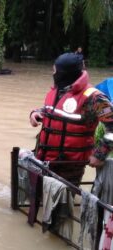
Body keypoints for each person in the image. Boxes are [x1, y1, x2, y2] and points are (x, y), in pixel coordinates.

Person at [30, 52, 113, 184]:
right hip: (43, 157)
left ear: (65, 74)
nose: (53, 74)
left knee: (62, 201)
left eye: (55, 71)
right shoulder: (60, 88)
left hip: (70, 163)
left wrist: (99, 155)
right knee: (38, 198)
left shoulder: (95, 98)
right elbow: (52, 110)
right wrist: (36, 113)